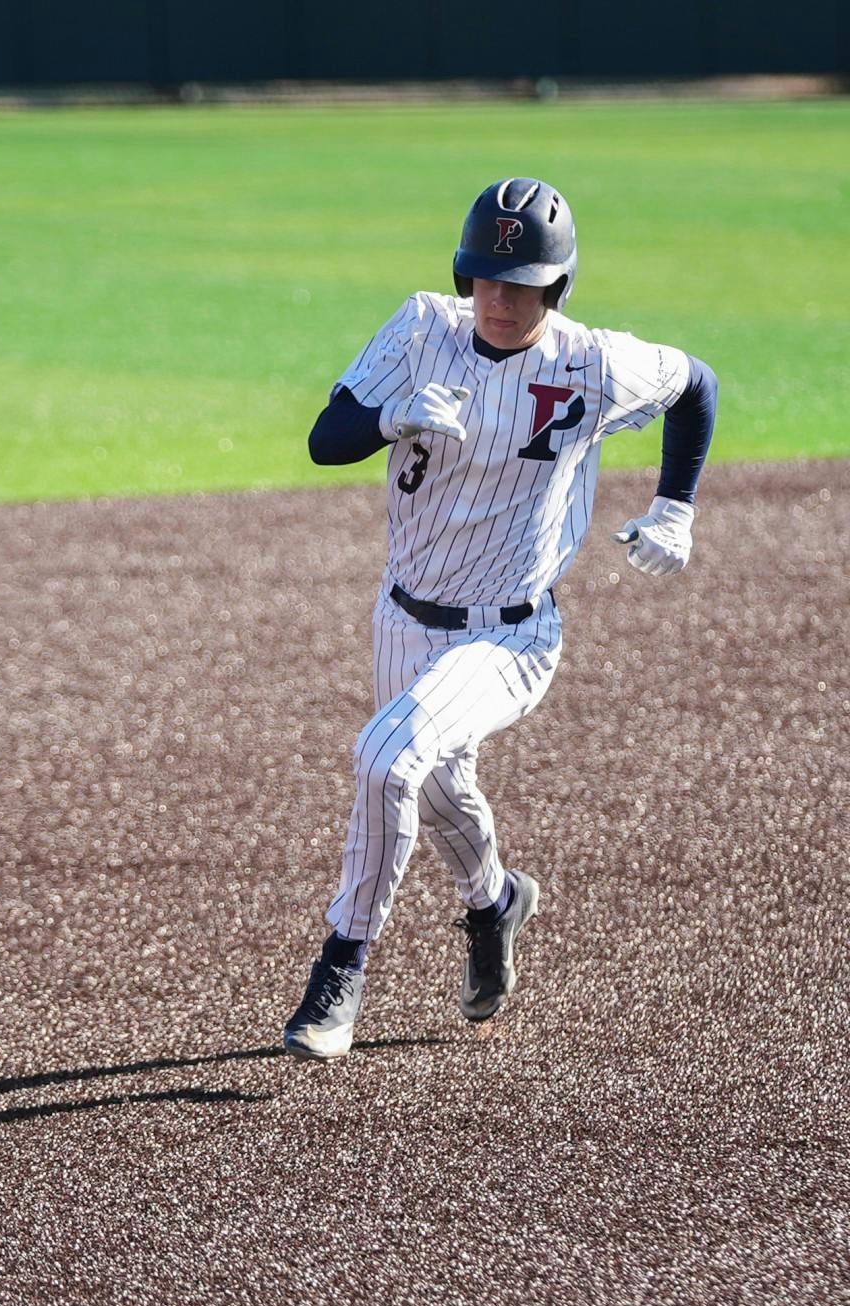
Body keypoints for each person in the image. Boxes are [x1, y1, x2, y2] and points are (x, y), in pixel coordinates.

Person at [282, 177, 719, 1060]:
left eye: (520, 285)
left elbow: (695, 384)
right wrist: (384, 417)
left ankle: (342, 968)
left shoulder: (592, 363)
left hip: (510, 632)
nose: (498, 300)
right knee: (440, 790)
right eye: (485, 278)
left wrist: (676, 507)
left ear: (555, 289)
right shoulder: (421, 328)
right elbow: (326, 437)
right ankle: (494, 904)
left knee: (386, 756)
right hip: (402, 618)